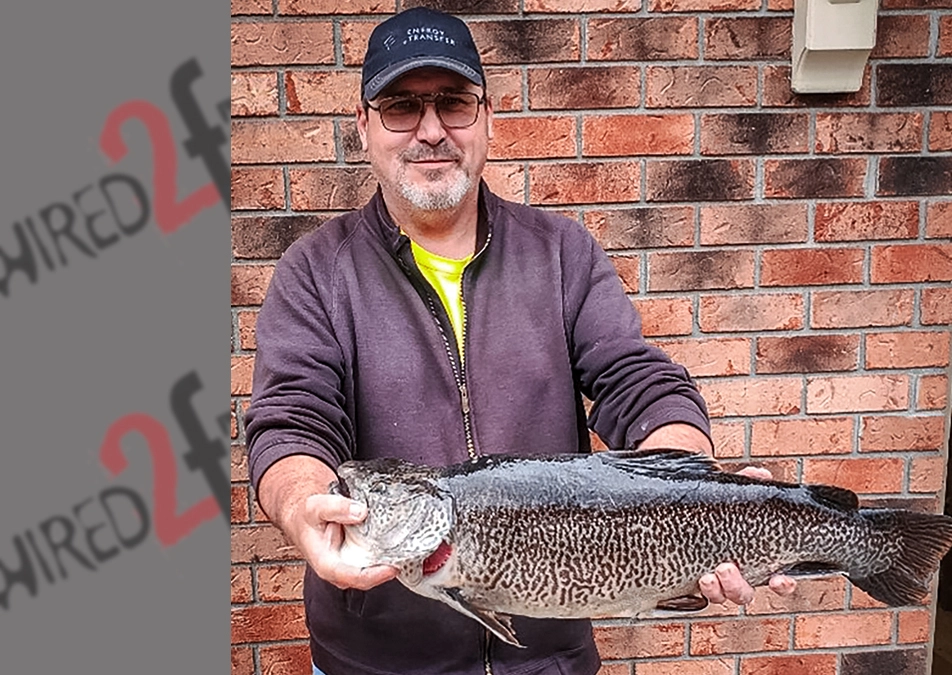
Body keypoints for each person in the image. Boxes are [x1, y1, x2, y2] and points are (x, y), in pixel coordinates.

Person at [245, 8, 796, 675]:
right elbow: (291, 420)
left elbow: (634, 379)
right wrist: (304, 503)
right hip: (375, 663)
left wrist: (687, 482)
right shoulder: (315, 271)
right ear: (364, 124)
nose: (431, 130)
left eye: (454, 103)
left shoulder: (561, 252)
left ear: (487, 117)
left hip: (547, 660)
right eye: (401, 107)